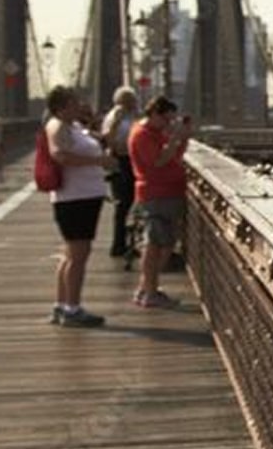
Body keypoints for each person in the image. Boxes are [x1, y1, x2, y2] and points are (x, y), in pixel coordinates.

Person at [43, 85, 113, 327]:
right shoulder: (58, 126)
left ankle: (62, 305)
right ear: (61, 107)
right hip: (74, 199)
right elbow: (60, 156)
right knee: (78, 256)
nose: (79, 105)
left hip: (83, 197)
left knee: (71, 254)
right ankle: (72, 309)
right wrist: (98, 160)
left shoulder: (72, 126)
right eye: (74, 103)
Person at [127, 95, 190, 309]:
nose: (168, 124)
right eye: (166, 119)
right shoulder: (142, 134)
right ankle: (150, 292)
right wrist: (175, 138)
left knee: (165, 243)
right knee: (154, 245)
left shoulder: (156, 133)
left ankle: (146, 288)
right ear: (154, 114)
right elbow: (158, 161)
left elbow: (174, 157)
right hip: (156, 195)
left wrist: (182, 139)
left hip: (168, 193)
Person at [100, 86, 139, 259]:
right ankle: (119, 244)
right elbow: (109, 139)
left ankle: (123, 243)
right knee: (124, 204)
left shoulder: (127, 115)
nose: (135, 102)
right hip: (122, 161)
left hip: (126, 160)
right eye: (132, 99)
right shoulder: (117, 115)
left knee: (126, 204)